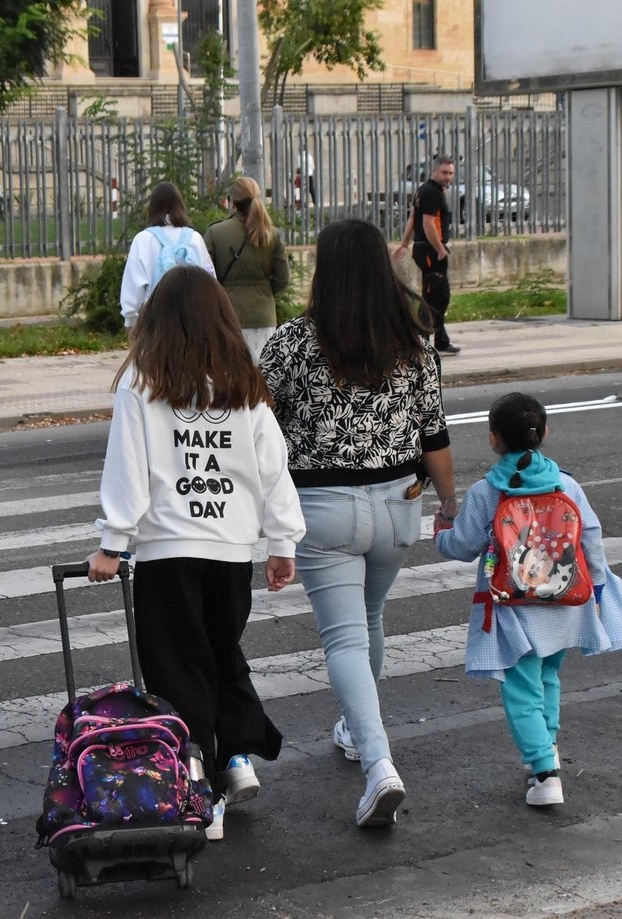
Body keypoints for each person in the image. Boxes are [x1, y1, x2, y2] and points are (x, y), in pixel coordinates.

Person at [87, 266, 305, 842]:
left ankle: (201, 788)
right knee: (219, 650)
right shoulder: (244, 382)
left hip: (166, 549)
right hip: (230, 549)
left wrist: (114, 542)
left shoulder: (142, 379)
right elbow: (272, 467)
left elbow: (128, 467)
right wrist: (281, 542)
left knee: (176, 666)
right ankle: (236, 756)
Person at [259, 218, 456, 829]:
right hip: (399, 506)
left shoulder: (292, 342)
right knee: (370, 620)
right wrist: (449, 504)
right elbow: (435, 434)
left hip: (323, 510)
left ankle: (379, 766)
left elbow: (256, 427)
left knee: (343, 638)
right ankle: (353, 730)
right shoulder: (414, 342)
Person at [433, 392, 622, 807]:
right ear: (545, 432)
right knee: (548, 677)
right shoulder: (567, 484)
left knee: (519, 687)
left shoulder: (486, 492)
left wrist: (440, 532)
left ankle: (546, 774)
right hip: (568, 602)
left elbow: (463, 545)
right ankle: (545, 752)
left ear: (493, 438)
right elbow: (591, 538)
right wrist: (599, 590)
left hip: (515, 607)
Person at [203, 176, 290, 361]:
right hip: (264, 317)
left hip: (228, 317)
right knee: (264, 379)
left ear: (231, 201)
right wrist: (264, 291)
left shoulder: (215, 233)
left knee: (232, 380)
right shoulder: (271, 234)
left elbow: (206, 277)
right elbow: (283, 279)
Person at [119, 182, 215, 329]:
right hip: (193, 321)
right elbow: (210, 282)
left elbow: (132, 286)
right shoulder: (195, 238)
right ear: (180, 206)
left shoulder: (143, 239)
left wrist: (130, 321)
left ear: (152, 208)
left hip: (156, 322)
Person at [395, 155, 460, 355]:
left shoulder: (424, 191)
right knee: (438, 297)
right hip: (432, 251)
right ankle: (420, 340)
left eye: (451, 173)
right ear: (434, 171)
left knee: (433, 296)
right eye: (445, 172)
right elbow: (427, 223)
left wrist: (405, 243)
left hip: (425, 249)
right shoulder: (432, 192)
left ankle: (439, 340)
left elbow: (412, 217)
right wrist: (440, 249)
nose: (448, 177)